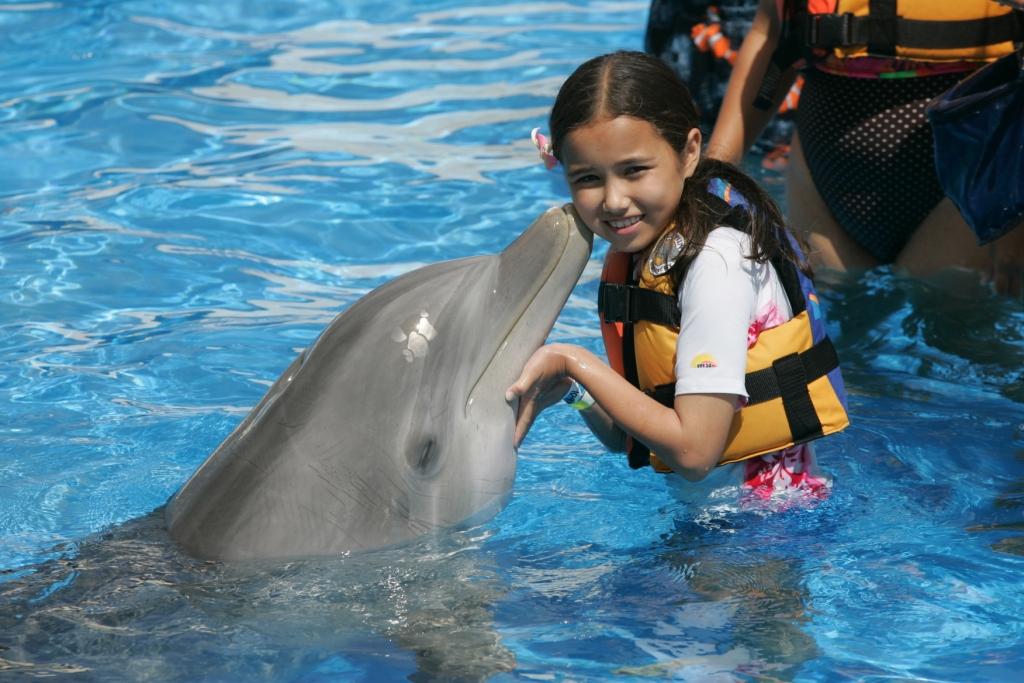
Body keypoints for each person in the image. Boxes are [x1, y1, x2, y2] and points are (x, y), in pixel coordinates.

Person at [507, 51, 849, 498]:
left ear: (689, 152)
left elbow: (693, 452)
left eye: (634, 171)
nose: (613, 200)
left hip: (762, 535)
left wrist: (574, 359)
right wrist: (575, 388)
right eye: (588, 178)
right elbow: (630, 436)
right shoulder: (655, 250)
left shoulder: (716, 263)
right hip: (719, 527)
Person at [706, 0, 1024, 295]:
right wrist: (712, 175)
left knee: (960, 336)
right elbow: (772, 30)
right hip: (825, 168)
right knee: (830, 331)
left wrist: (1015, 217)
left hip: (973, 165)